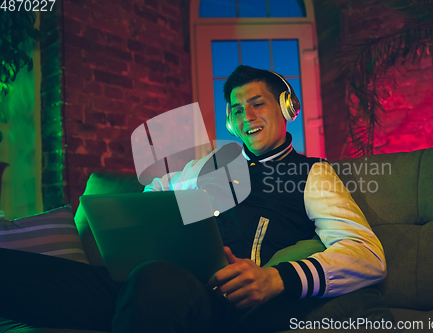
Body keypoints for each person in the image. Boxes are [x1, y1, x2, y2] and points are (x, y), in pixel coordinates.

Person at [0, 65, 390, 333]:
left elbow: (366, 255)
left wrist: (275, 278)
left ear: (286, 108)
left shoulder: (311, 173)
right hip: (142, 285)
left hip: (221, 301)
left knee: (157, 279)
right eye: (237, 109)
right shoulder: (213, 167)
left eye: (258, 103)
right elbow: (154, 195)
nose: (246, 115)